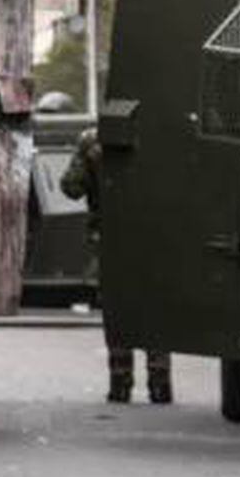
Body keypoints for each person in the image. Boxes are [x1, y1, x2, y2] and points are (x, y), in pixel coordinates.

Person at [62, 127, 172, 404]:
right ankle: (160, 384)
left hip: (111, 237)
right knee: (154, 306)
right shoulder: (162, 134)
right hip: (155, 235)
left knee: (117, 307)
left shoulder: (92, 139)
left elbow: (71, 186)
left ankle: (120, 383)